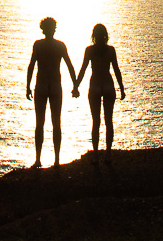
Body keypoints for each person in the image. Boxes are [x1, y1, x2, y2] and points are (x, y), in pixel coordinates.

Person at [24, 16, 77, 168]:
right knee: (56, 123)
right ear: (53, 29)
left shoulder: (38, 45)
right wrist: (75, 85)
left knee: (39, 123)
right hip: (54, 85)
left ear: (43, 29)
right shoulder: (60, 46)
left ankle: (39, 159)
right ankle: (57, 160)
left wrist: (27, 86)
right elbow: (69, 65)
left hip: (41, 85)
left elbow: (31, 65)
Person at [71, 23, 126, 156]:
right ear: (105, 36)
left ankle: (95, 154)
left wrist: (76, 86)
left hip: (95, 84)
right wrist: (122, 88)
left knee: (96, 122)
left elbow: (83, 70)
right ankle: (108, 153)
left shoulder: (89, 50)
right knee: (109, 121)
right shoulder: (111, 50)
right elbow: (116, 70)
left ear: (94, 36)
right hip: (108, 84)